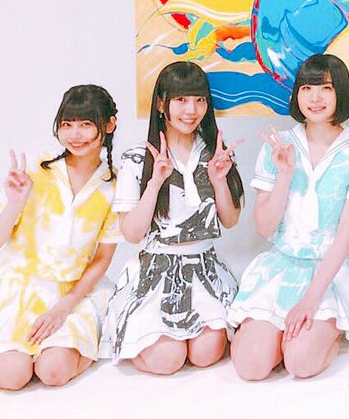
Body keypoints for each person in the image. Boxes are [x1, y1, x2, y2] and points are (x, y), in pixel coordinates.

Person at [0, 85, 121, 390]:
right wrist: (14, 203)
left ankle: (76, 347)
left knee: (53, 372)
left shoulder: (114, 185)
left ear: (109, 125)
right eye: (66, 124)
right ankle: (11, 350)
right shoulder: (36, 169)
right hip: (20, 289)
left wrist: (65, 306)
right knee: (13, 376)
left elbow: (102, 258)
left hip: (74, 292)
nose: (75, 134)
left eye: (86, 124)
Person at [228, 54, 349, 379]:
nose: (315, 97)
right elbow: (264, 227)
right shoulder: (279, 145)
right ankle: (256, 333)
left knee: (300, 362)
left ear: (340, 92)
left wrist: (310, 301)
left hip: (330, 274)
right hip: (281, 268)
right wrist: (285, 174)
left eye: (326, 88)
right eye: (307, 88)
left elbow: (345, 237)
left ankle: (325, 334)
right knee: (252, 367)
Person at [100, 62, 244, 374]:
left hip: (204, 268)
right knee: (168, 359)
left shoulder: (217, 153)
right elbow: (132, 233)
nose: (191, 110)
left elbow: (230, 220)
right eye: (180, 100)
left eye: (199, 100)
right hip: (156, 270)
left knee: (206, 354)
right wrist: (155, 182)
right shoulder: (137, 158)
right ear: (161, 104)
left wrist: (219, 180)